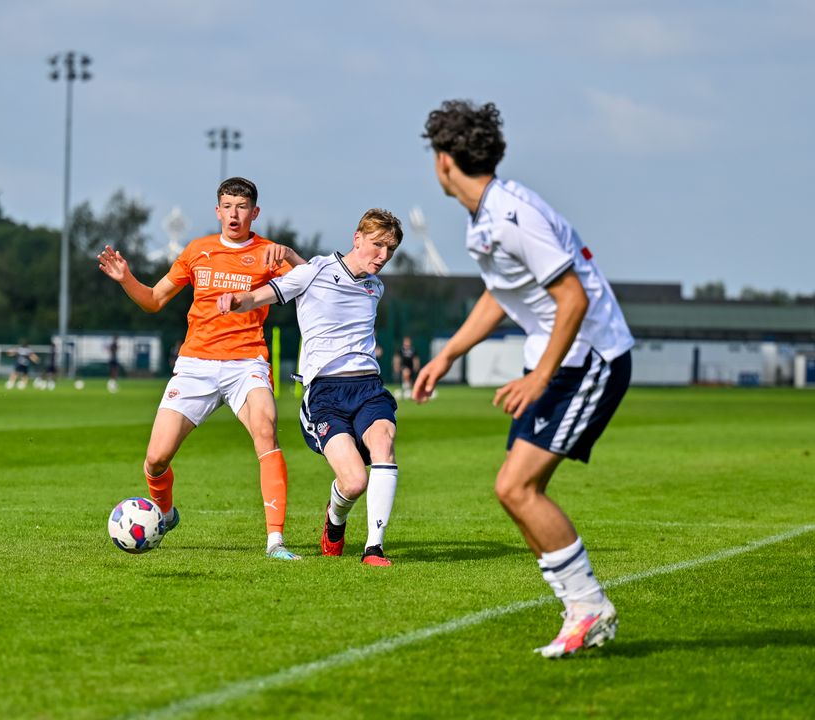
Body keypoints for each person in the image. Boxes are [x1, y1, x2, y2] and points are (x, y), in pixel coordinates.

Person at [415, 100, 634, 657]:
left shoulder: (514, 214)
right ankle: (582, 609)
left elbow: (573, 297)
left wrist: (539, 375)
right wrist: (448, 356)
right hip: (562, 357)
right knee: (513, 490)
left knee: (516, 487)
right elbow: (502, 295)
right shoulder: (485, 217)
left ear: (444, 161)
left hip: (591, 358)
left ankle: (587, 609)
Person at [98, 176, 305, 561]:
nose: (234, 214)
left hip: (247, 362)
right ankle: (166, 511)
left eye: (242, 207)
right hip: (196, 364)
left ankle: (275, 541)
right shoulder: (197, 251)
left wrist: (290, 256)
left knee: (266, 430)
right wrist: (126, 278)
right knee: (156, 459)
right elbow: (155, 300)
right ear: (217, 210)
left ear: (254, 212)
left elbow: (313, 283)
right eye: (227, 206)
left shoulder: (267, 254)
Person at [218, 209, 404, 567]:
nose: (383, 256)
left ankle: (374, 549)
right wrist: (237, 301)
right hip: (325, 394)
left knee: (384, 444)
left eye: (390, 250)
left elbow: (337, 280)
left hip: (368, 386)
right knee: (353, 483)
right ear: (357, 238)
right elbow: (272, 293)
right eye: (378, 246)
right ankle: (335, 522)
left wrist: (289, 255)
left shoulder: (374, 286)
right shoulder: (313, 271)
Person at [392, 336, 420, 400]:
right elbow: (397, 358)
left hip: (411, 367)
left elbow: (415, 359)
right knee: (406, 372)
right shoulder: (400, 350)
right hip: (403, 366)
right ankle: (406, 389)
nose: (407, 343)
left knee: (409, 379)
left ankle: (407, 390)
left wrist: (416, 366)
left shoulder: (413, 350)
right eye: (405, 341)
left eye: (408, 341)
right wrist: (396, 366)